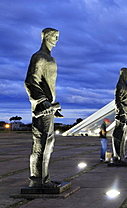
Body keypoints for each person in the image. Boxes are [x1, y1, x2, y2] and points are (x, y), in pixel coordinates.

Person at [25, 28, 63, 188]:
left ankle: (44, 178)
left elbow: (47, 85)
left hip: (50, 108)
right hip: (42, 108)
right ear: (46, 37)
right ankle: (37, 180)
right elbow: (30, 81)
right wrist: (42, 101)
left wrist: (53, 105)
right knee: (40, 143)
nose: (56, 39)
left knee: (49, 143)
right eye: (54, 36)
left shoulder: (51, 59)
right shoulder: (39, 57)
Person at [112, 68, 127, 161]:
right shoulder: (120, 86)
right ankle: (118, 155)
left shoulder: (126, 87)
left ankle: (122, 154)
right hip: (121, 114)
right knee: (119, 133)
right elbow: (118, 101)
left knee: (124, 134)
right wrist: (122, 112)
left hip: (125, 112)